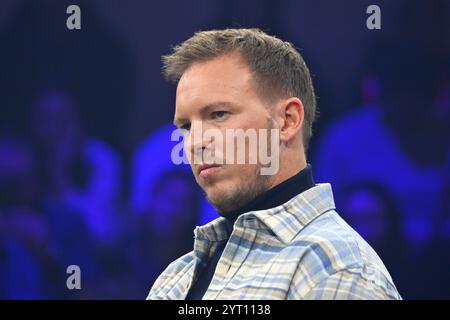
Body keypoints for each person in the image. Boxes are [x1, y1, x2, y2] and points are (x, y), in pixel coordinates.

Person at [147, 28, 401, 300]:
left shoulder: (338, 270)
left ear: (287, 120)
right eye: (186, 126)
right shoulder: (173, 279)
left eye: (218, 114)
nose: (195, 142)